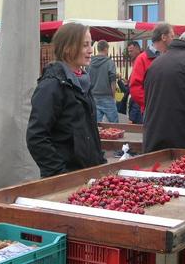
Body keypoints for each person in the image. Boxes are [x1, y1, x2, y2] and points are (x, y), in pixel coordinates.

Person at [26, 23, 106, 178]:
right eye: (85, 45)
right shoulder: (51, 85)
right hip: (66, 178)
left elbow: (90, 131)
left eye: (91, 44)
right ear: (68, 48)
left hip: (88, 175)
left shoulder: (83, 82)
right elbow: (36, 137)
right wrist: (60, 173)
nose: (91, 50)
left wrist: (99, 162)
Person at [129, 23, 174, 116]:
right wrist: (152, 104)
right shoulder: (142, 59)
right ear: (164, 37)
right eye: (172, 36)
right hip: (152, 111)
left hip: (170, 110)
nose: (174, 40)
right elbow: (135, 88)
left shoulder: (172, 56)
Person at [88, 40, 119, 123]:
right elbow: (112, 81)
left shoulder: (90, 63)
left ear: (98, 49)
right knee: (115, 124)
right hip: (107, 96)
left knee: (96, 125)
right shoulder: (109, 63)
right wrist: (113, 96)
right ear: (106, 49)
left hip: (93, 96)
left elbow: (87, 80)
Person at [125, 41, 143, 123]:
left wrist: (132, 117)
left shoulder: (141, 61)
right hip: (137, 104)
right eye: (128, 51)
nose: (129, 53)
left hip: (140, 107)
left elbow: (138, 90)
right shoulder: (135, 61)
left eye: (131, 51)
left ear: (137, 49)